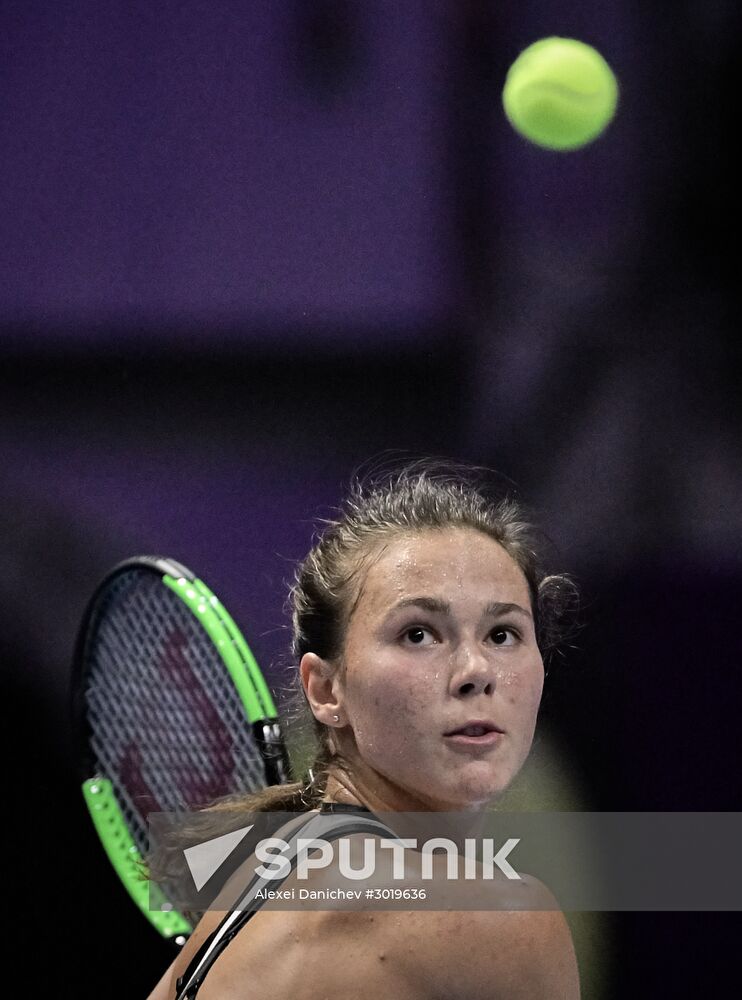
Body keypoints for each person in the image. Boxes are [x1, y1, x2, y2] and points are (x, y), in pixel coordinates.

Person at [148, 460, 581, 999]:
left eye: (502, 633)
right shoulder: (503, 917)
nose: (476, 672)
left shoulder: (244, 888)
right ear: (327, 690)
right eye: (419, 634)